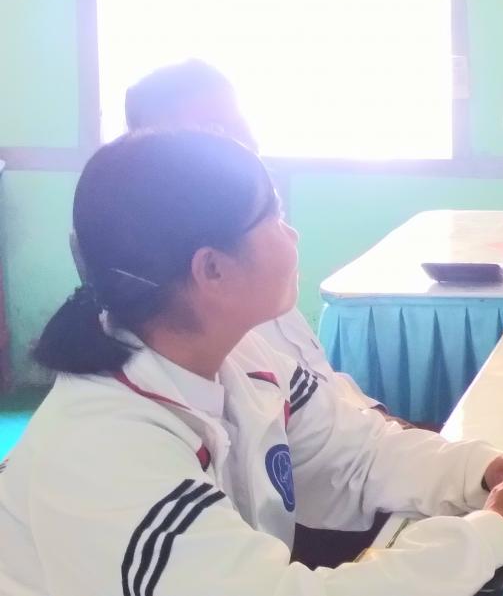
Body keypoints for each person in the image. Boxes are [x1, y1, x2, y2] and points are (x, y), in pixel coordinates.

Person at [0, 129, 503, 594]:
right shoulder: (104, 454)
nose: (292, 233)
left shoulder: (239, 355)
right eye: (273, 217)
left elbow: (358, 454)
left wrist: (481, 470)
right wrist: (492, 536)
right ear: (212, 270)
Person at [121, 60, 384, 418]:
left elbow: (317, 388)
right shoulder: (198, 304)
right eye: (214, 130)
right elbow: (293, 430)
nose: (245, 144)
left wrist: (378, 418)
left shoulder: (260, 276)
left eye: (240, 124)